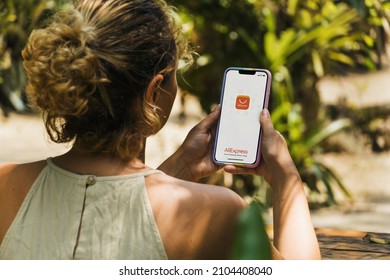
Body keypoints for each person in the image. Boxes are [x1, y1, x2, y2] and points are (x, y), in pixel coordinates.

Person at [0, 0, 320, 260]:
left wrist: (178, 168)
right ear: (154, 92)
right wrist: (284, 175)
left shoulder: (6, 185)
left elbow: (118, 221)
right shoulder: (218, 214)